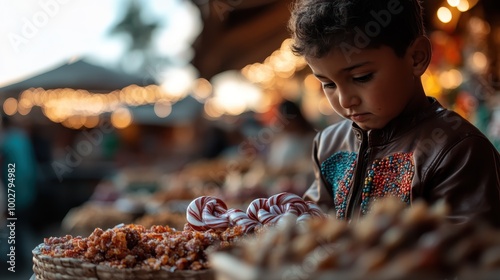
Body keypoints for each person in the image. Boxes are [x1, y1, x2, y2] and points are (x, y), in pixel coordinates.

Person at [288, 0, 500, 226]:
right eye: (328, 84)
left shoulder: (457, 150)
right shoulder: (328, 145)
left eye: (361, 77)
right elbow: (315, 228)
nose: (344, 100)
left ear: (416, 57)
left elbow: (471, 252)